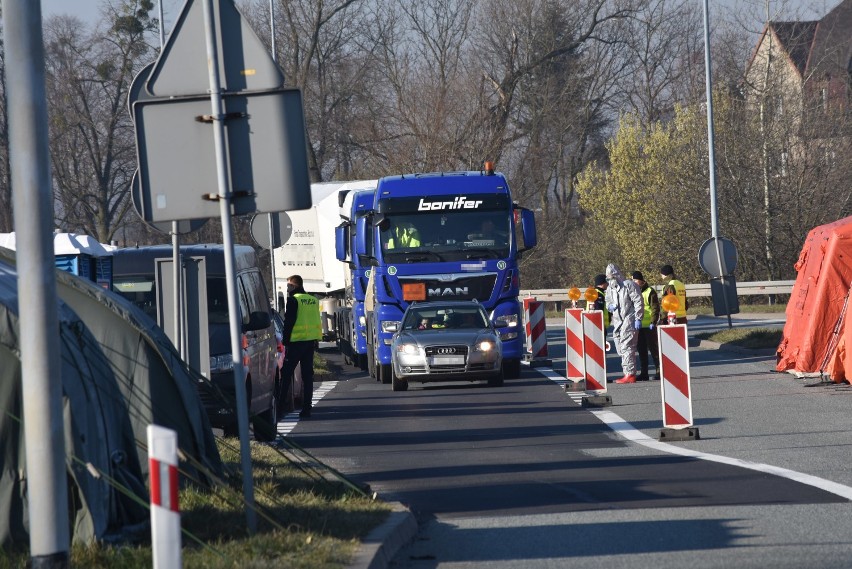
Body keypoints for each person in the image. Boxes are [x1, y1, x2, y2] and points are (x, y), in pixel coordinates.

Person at [280, 274, 322, 418]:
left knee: (285, 375)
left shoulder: (293, 300)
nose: (287, 288)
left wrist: (285, 341)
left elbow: (289, 322)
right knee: (307, 376)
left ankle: (279, 408)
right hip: (309, 342)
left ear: (293, 286)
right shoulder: (313, 300)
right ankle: (306, 409)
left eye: (288, 286)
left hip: (295, 342)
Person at [604, 263, 644, 384]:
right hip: (618, 322)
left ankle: (630, 374)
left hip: (629, 319)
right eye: (608, 278)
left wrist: (638, 318)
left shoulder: (628, 285)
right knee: (620, 347)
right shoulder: (610, 289)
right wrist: (610, 307)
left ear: (616, 276)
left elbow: (638, 301)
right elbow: (608, 302)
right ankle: (627, 371)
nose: (610, 280)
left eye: (611, 278)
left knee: (627, 346)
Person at [632, 271, 661, 381]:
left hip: (649, 326)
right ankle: (644, 373)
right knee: (641, 350)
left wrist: (653, 322)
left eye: (635, 280)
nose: (634, 282)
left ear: (641, 280)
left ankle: (659, 371)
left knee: (654, 350)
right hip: (638, 327)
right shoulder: (633, 292)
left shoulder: (649, 291)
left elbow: (655, 308)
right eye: (633, 280)